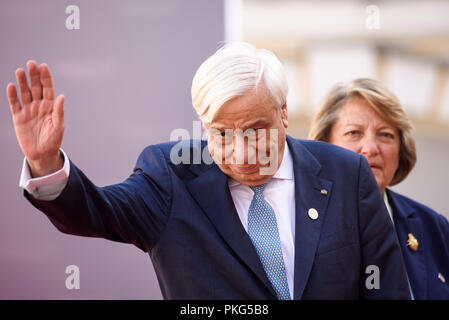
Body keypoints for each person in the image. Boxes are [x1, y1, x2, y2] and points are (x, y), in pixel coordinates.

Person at [7, 43, 410, 299]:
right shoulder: (170, 177)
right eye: (221, 134)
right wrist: (45, 163)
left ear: (283, 113)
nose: (242, 151)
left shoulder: (346, 174)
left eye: (256, 130)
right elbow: (94, 210)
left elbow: (386, 288)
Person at [308, 78, 449, 299]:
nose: (371, 148)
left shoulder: (433, 227)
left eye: (385, 135)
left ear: (401, 148)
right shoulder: (298, 224)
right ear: (325, 145)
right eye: (354, 133)